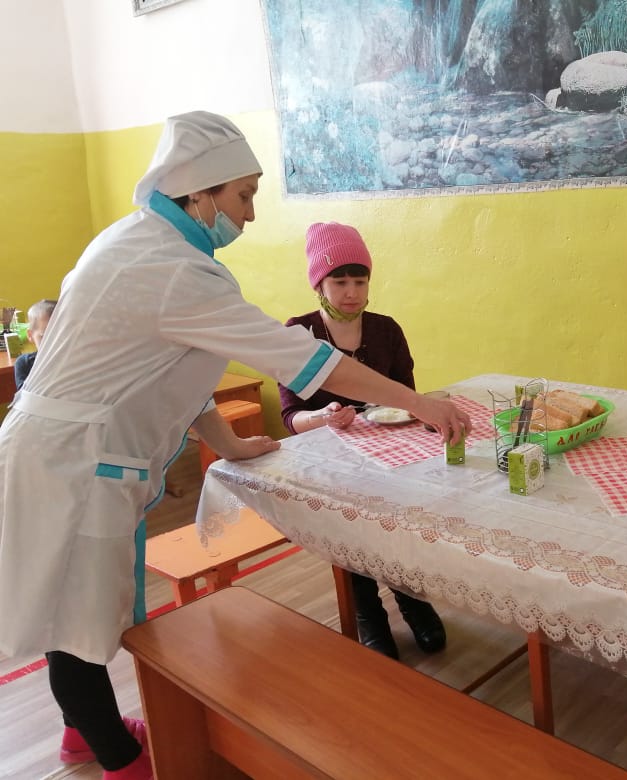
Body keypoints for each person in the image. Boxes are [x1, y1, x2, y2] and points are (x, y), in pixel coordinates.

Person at [0, 111, 469, 780]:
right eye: (244, 195)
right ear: (200, 192)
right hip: (69, 464)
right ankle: (120, 759)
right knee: (74, 620)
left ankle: (85, 733)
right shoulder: (177, 271)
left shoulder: (131, 242)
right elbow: (307, 361)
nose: (249, 214)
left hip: (54, 451)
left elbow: (167, 374)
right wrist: (420, 403)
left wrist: (229, 444)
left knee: (69, 607)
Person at [278, 221, 446, 659]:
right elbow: (290, 418)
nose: (351, 292)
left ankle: (412, 600)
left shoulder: (386, 330)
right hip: (328, 463)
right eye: (339, 282)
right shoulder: (299, 333)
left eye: (360, 280)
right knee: (348, 529)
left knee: (397, 524)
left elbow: (407, 398)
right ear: (319, 283)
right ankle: (368, 613)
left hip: (390, 457)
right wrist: (322, 418)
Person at [13, 298, 57, 390]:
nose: (54, 343)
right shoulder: (24, 363)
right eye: (45, 337)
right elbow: (24, 395)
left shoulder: (74, 360)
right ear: (30, 335)